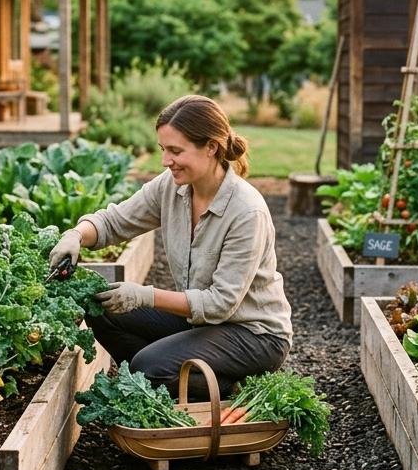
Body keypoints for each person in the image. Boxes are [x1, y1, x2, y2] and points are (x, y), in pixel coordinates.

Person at [49, 94, 292, 398]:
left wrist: (145, 296)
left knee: (147, 367)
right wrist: (75, 235)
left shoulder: (245, 212)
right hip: (200, 323)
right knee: (102, 308)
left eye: (176, 151)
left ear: (211, 148)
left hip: (252, 334)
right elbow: (116, 221)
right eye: (164, 150)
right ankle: (166, 383)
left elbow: (219, 304)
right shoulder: (172, 186)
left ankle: (226, 387)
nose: (166, 161)